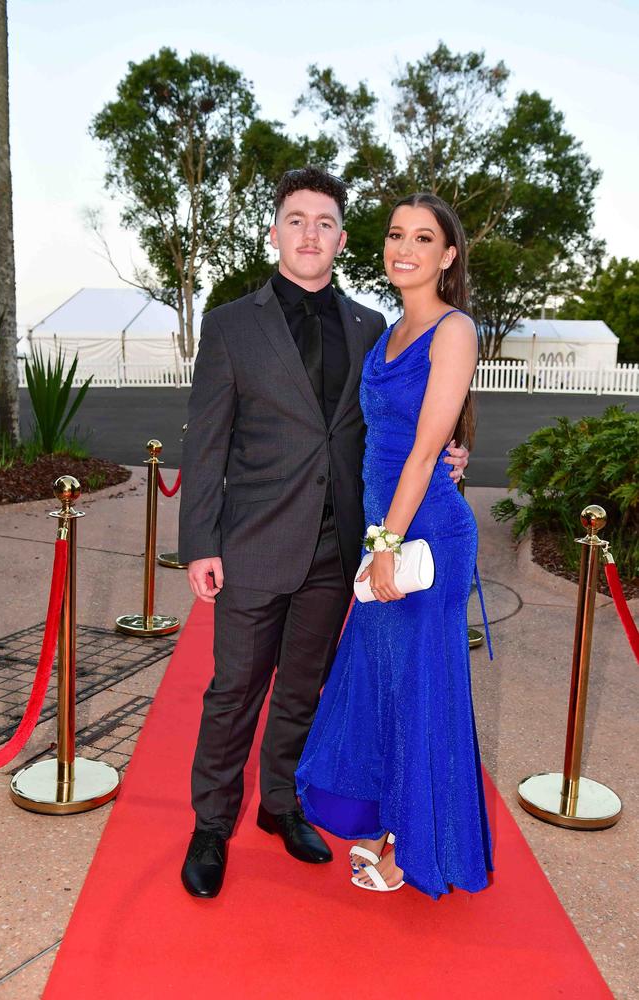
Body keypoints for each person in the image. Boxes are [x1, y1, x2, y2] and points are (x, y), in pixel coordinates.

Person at [178, 168, 469, 899]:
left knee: (303, 690)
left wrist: (450, 457)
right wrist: (201, 542)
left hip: (340, 550)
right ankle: (211, 826)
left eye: (325, 222)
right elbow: (205, 443)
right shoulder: (230, 324)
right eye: (296, 219)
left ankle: (281, 804)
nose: (310, 233)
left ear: (341, 238)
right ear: (275, 231)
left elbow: (398, 423)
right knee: (233, 690)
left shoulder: (374, 326)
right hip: (252, 543)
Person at [296, 192, 493, 897]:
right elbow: (384, 436)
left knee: (420, 689)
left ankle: (413, 854)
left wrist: (384, 544)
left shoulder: (454, 329)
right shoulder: (388, 333)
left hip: (421, 537)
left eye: (422, 238)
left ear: (447, 255)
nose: (403, 248)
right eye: (395, 235)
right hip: (388, 530)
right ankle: (394, 833)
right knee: (390, 687)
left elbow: (421, 455)